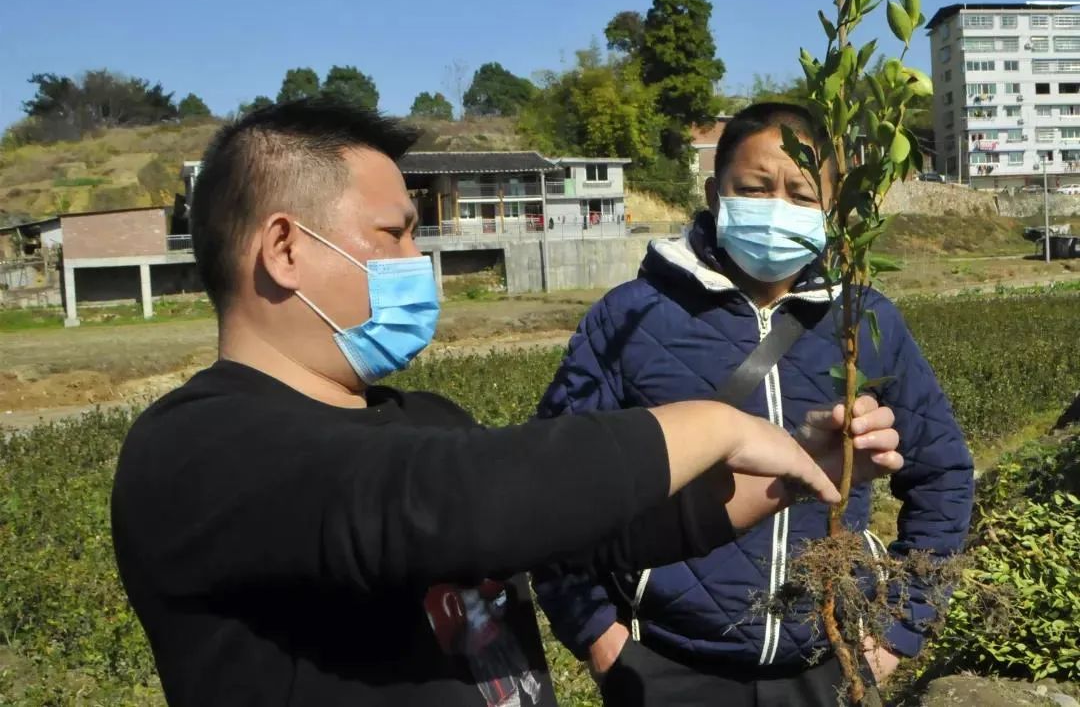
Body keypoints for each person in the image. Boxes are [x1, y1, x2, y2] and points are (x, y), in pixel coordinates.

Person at [110, 99, 903, 707]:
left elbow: (585, 529)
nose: (416, 262)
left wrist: (793, 475)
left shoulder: (422, 421)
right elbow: (450, 506)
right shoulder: (198, 453)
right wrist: (714, 423)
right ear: (285, 249)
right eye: (392, 234)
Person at [533, 102, 974, 706]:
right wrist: (598, 637)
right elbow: (555, 488)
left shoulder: (863, 321)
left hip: (830, 657)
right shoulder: (630, 317)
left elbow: (944, 474)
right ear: (716, 194)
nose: (776, 208)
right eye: (755, 188)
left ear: (832, 207)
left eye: (800, 192)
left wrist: (895, 635)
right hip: (664, 659)